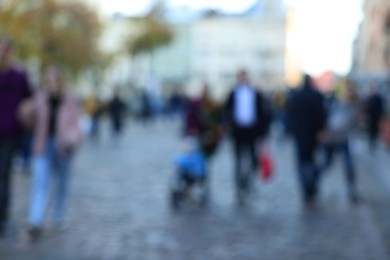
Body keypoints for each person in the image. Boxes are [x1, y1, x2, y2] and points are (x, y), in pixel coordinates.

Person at [19, 66, 83, 240]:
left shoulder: (70, 100)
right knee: (40, 182)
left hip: (63, 147)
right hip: (43, 145)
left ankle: (58, 216)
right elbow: (29, 124)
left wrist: (72, 140)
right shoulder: (39, 99)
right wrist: (26, 112)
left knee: (62, 183)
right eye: (48, 80)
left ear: (60, 81)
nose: (51, 84)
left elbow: (76, 125)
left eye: (54, 80)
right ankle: (36, 220)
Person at [0, 36, 32, 235]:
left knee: (3, 176)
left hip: (10, 132)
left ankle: (2, 216)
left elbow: (29, 99)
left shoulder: (18, 76)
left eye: (5, 50)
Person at [225, 70, 271, 203]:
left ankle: (249, 183)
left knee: (253, 160)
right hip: (238, 131)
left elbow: (262, 113)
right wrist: (229, 126)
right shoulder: (233, 93)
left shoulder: (255, 93)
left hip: (252, 131)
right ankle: (239, 186)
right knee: (238, 160)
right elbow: (226, 111)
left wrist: (263, 132)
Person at [288, 74, 327, 205]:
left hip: (300, 134)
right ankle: (311, 185)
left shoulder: (296, 96)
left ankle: (306, 187)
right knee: (311, 160)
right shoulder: (315, 95)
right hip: (313, 134)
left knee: (302, 162)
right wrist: (321, 130)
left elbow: (291, 114)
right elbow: (321, 113)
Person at [321, 80, 359, 203]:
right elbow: (329, 121)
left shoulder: (353, 107)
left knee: (349, 165)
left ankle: (352, 190)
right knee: (326, 165)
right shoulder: (334, 104)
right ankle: (312, 178)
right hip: (332, 139)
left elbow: (352, 125)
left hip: (344, 140)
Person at [365, 84, 385, 150]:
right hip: (371, 117)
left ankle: (374, 141)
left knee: (375, 130)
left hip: (376, 117)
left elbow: (381, 108)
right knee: (371, 130)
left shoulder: (378, 98)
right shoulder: (369, 97)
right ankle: (371, 141)